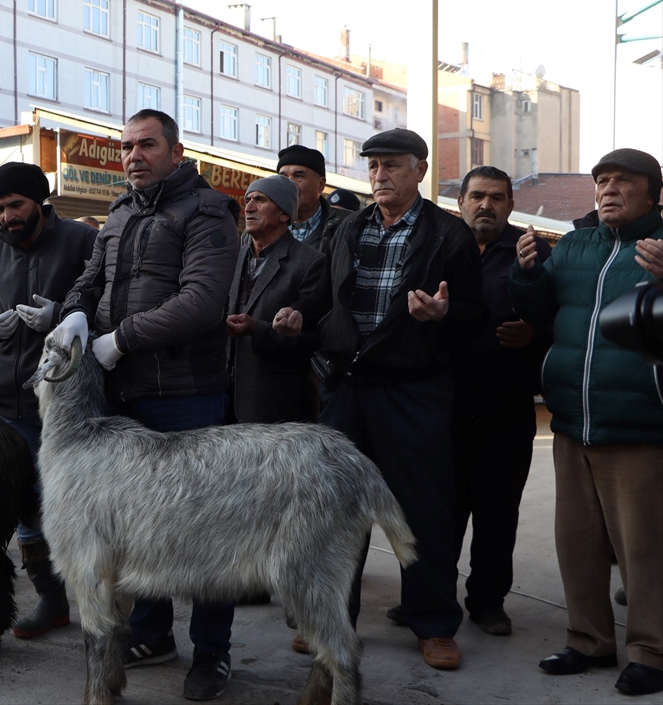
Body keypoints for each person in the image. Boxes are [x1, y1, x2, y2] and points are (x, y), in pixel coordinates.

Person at [53, 109, 240, 701]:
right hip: (120, 396)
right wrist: (77, 312)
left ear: (177, 153)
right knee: (138, 527)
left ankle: (213, 653)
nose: (134, 155)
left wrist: (119, 339)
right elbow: (91, 279)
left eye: (147, 145)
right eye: (127, 145)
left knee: (203, 531)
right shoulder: (120, 211)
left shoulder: (208, 212)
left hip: (186, 396)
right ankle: (152, 632)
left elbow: (204, 301)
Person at [317, 128, 484, 672]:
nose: (379, 176)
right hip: (349, 386)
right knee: (336, 510)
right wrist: (305, 326)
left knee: (421, 511)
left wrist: (442, 315)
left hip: (414, 389)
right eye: (373, 167)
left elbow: (476, 318)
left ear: (420, 169)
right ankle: (333, 618)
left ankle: (433, 623)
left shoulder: (448, 235)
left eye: (392, 165)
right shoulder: (348, 229)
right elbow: (325, 299)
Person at [510, 148, 663, 697]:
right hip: (573, 419)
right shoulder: (574, 245)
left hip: (640, 421)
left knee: (644, 547)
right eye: (602, 180)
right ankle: (589, 640)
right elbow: (539, 311)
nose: (609, 189)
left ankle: (651, 651)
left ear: (653, 193)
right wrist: (526, 273)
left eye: (624, 180)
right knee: (577, 542)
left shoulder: (662, 248)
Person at [0, 162, 96, 639]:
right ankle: (51, 601)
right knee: (24, 508)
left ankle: (101, 603)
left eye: (15, 205)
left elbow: (105, 301)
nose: (6, 216)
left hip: (65, 404)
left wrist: (61, 316)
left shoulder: (81, 241)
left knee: (75, 506)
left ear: (40, 200)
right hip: (5, 401)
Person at [450, 166, 551, 637]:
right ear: (461, 202)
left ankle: (488, 602)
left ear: (511, 205)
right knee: (438, 511)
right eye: (477, 196)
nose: (485, 205)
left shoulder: (533, 253)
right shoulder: (442, 248)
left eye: (496, 197)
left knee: (496, 512)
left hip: (505, 407)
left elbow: (560, 318)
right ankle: (429, 596)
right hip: (443, 405)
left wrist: (534, 332)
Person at [226, 175, 331, 426]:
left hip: (277, 405)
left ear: (284, 214)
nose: (249, 207)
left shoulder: (310, 262)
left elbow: (311, 340)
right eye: (247, 200)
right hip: (224, 399)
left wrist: (257, 329)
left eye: (260, 200)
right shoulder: (232, 258)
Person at [276, 145, 347, 252]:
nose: (289, 184)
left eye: (298, 176)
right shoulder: (262, 225)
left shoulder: (346, 227)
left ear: (321, 185)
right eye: (283, 177)